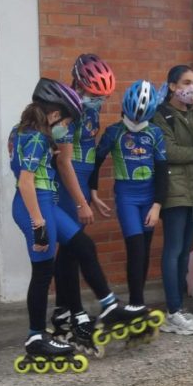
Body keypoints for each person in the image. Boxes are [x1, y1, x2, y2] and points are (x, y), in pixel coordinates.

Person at [9, 79, 145, 373]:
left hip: (48, 202)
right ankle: (35, 337)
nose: (66, 127)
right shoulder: (34, 137)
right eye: (67, 120)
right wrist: (38, 223)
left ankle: (108, 304)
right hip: (35, 205)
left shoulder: (31, 133)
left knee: (84, 245)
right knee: (44, 271)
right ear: (55, 114)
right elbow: (25, 181)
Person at [91, 81, 170, 325]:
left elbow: (162, 171)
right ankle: (136, 304)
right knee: (135, 248)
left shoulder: (154, 133)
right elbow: (96, 161)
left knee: (144, 250)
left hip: (149, 198)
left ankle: (138, 302)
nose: (136, 125)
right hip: (126, 197)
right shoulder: (114, 132)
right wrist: (93, 193)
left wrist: (157, 205)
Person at [51, 54, 115, 353]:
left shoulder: (91, 112)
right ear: (77, 84)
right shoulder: (65, 111)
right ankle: (74, 314)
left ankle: (65, 311)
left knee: (71, 252)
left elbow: (87, 153)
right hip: (65, 187)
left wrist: (91, 193)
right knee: (75, 248)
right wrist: (79, 202)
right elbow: (64, 162)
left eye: (102, 97)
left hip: (81, 183)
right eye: (92, 94)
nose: (97, 100)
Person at [153, 65, 193, 334]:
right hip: (175, 191)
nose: (192, 87)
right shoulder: (162, 114)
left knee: (184, 248)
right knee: (173, 249)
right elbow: (169, 151)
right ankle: (172, 310)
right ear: (173, 86)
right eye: (187, 82)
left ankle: (179, 309)